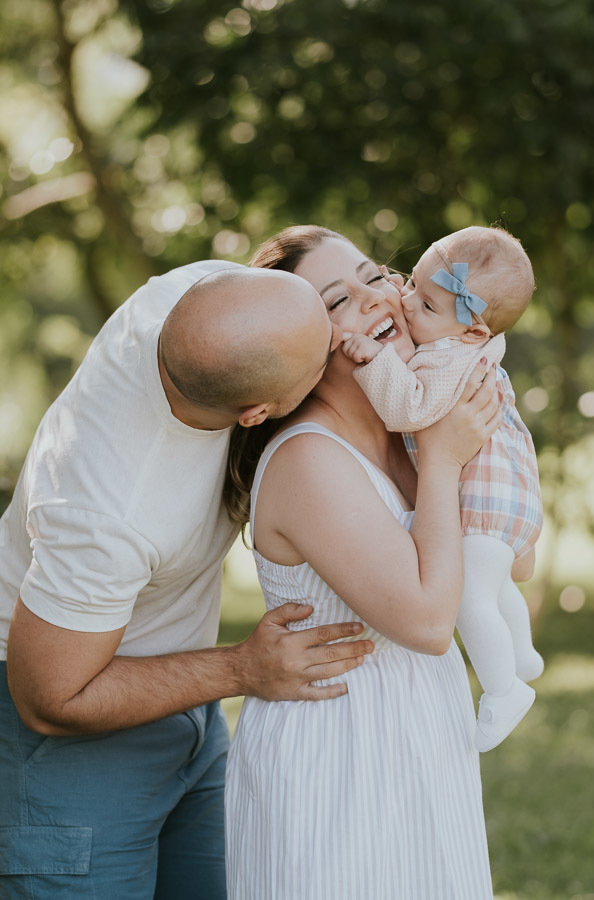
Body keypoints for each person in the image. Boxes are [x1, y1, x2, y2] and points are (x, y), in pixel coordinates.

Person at [0, 260, 374, 899]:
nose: (342, 342)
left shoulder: (191, 294)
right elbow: (50, 699)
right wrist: (240, 671)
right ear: (258, 411)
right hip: (72, 731)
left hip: (187, 704)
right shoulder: (105, 512)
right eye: (323, 354)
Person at [224, 225, 509, 899]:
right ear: (294, 343)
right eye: (336, 298)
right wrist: (444, 460)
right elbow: (429, 620)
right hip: (340, 753)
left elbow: (511, 566)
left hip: (422, 736)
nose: (376, 299)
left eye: (374, 275)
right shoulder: (309, 458)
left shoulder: (407, 438)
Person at [341, 225, 544, 751]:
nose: (407, 304)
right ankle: (522, 652)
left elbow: (410, 408)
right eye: (411, 285)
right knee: (497, 585)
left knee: (469, 596)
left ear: (472, 332)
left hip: (486, 499)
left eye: (426, 307)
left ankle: (503, 690)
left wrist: (372, 359)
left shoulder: (449, 356)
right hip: (510, 494)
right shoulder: (470, 337)